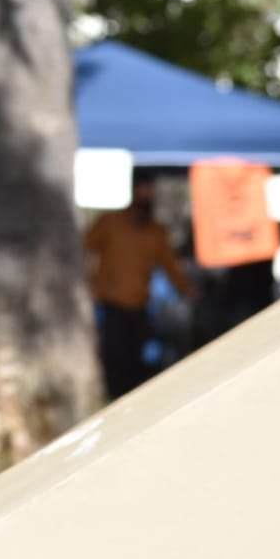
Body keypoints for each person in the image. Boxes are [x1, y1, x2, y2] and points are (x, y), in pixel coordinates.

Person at [83, 171, 195, 398]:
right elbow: (82, 249)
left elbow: (170, 267)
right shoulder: (110, 223)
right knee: (113, 363)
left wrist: (189, 291)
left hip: (139, 309)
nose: (146, 195)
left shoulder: (155, 232)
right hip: (111, 308)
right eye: (142, 189)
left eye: (149, 191)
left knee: (137, 366)